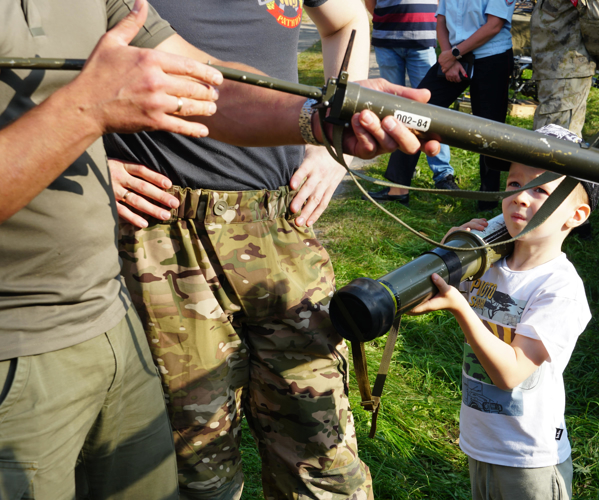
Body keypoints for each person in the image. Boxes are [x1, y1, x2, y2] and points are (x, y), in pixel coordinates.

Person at [0, 0, 438, 497]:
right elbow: (74, 91)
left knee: (322, 453)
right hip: (153, 238)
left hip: (273, 221)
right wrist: (89, 146)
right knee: (197, 463)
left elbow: (210, 83)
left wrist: (323, 124)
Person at [409, 125, 595, 500]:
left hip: (529, 459)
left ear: (575, 215)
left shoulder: (560, 288)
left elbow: (509, 372)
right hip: (481, 444)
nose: (519, 198)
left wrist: (463, 309)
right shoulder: (489, 262)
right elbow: (415, 303)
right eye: (513, 184)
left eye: (540, 190)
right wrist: (449, 256)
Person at [366, 0, 515, 209]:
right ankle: (397, 188)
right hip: (454, 55)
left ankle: (488, 200)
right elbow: (441, 20)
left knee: (490, 130)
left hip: (491, 57)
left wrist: (455, 53)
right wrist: (448, 57)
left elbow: (494, 26)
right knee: (415, 109)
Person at [365, 0, 458, 192]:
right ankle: (402, 173)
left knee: (431, 109)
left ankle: (443, 174)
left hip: (422, 39)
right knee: (393, 109)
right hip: (387, 39)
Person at [530, 0, 599, 137]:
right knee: (556, 138)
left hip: (563, 65)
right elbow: (596, 16)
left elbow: (596, 17)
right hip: (562, 65)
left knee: (555, 137)